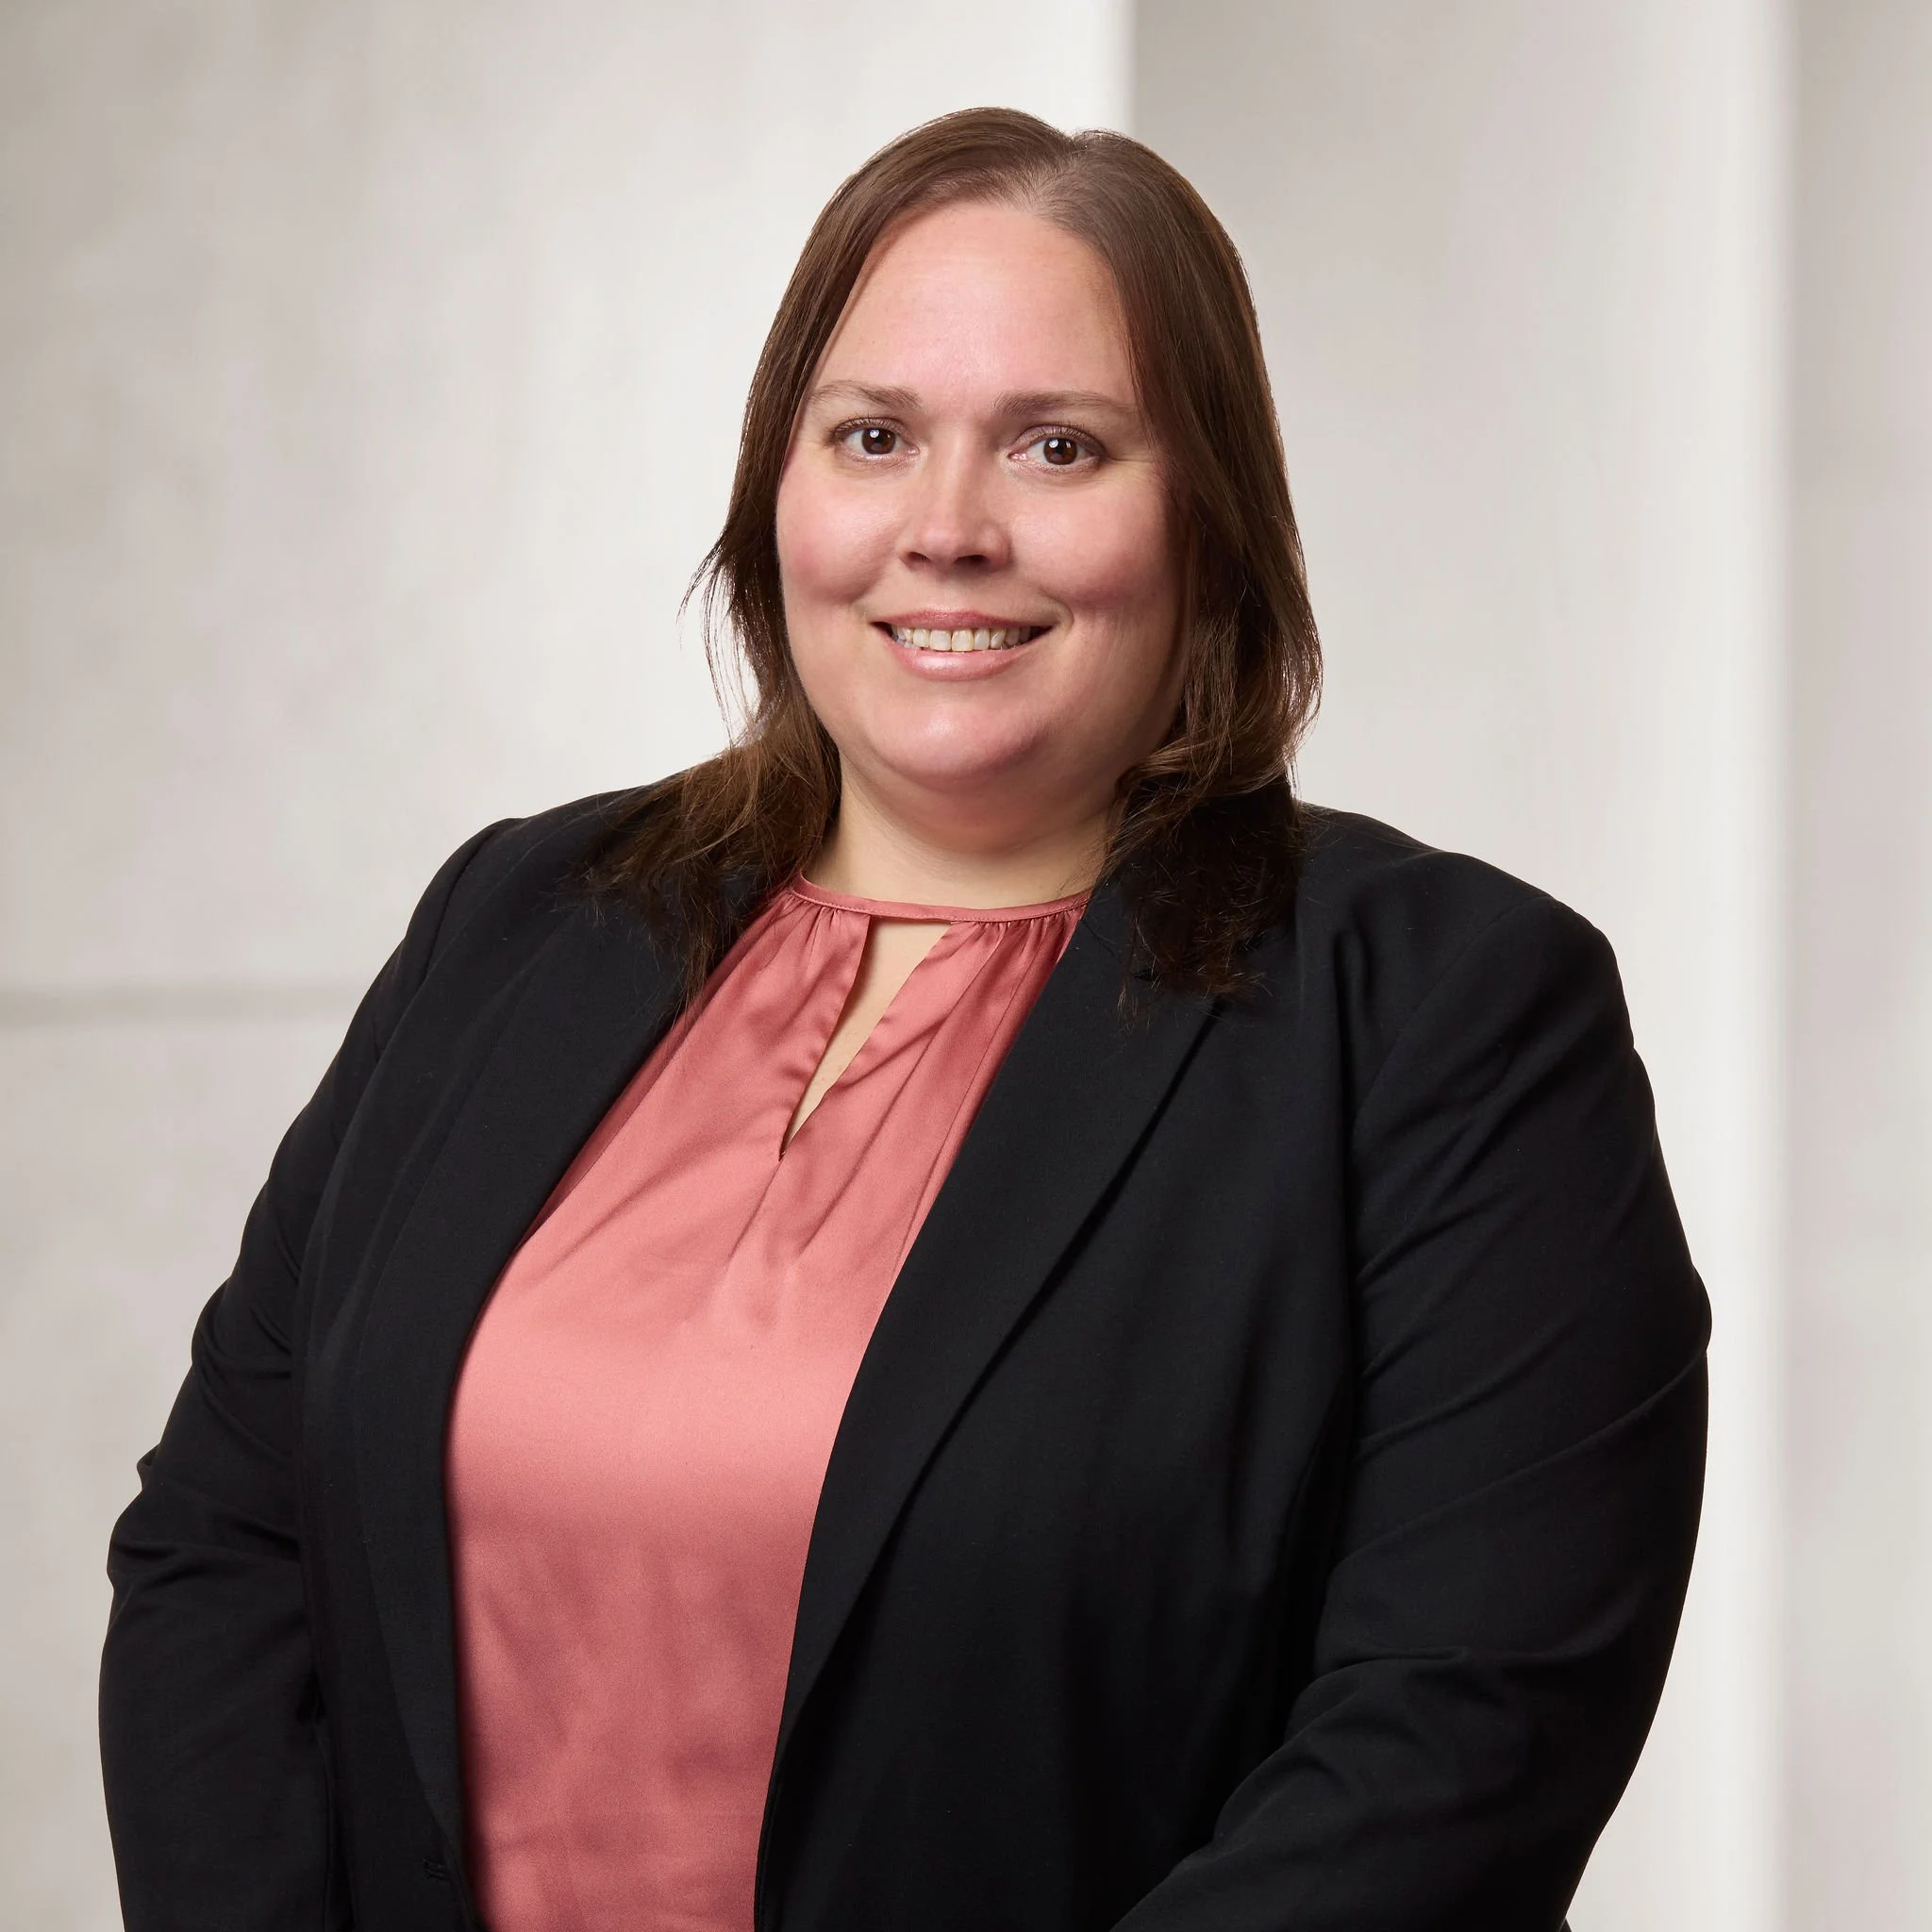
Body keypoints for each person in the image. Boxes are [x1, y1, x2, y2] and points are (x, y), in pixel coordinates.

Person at [98, 108, 1707, 1932]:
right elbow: (225, 1546)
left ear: (1210, 512)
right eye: (874, 438)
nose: (947, 530)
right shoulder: (514, 923)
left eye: (1057, 446)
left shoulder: (1450, 1018)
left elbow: (1460, 1742)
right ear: (777, 495)